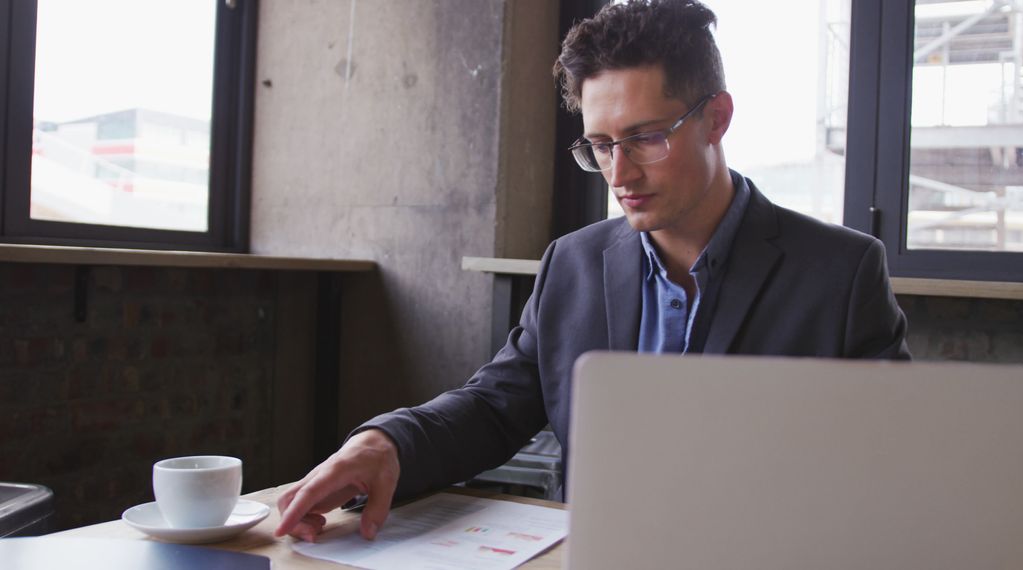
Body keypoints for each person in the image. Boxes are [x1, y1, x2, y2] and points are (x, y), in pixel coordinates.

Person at [275, 0, 910, 542]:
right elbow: (495, 408)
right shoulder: (572, 263)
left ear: (717, 118)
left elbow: (888, 468)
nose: (619, 174)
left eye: (645, 138)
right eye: (600, 145)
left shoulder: (841, 274)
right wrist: (388, 443)